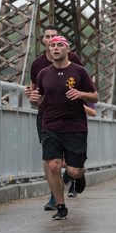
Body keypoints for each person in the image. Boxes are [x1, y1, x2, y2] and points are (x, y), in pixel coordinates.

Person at [29, 36, 98, 220]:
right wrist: (33, 100)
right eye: (52, 46)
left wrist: (81, 94)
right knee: (52, 165)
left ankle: (78, 176)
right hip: (50, 125)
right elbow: (39, 100)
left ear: (67, 49)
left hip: (75, 126)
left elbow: (95, 96)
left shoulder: (79, 71)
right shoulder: (43, 73)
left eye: (60, 45)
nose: (55, 48)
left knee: (74, 170)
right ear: (49, 50)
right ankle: (60, 206)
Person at [24, 25, 83, 210]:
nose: (51, 41)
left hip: (71, 117)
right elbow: (36, 91)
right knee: (49, 160)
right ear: (44, 41)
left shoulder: (72, 58)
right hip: (46, 116)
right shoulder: (37, 65)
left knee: (72, 165)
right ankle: (54, 197)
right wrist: (32, 96)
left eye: (55, 37)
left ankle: (76, 173)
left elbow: (83, 82)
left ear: (62, 41)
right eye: (48, 37)